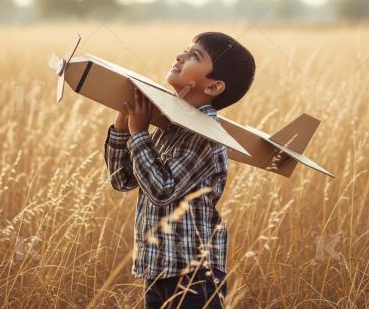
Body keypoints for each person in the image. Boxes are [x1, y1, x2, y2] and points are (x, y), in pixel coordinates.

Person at [103, 31, 256, 308]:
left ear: (213, 87)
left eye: (194, 55)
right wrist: (122, 127)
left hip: (194, 276)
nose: (180, 56)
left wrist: (139, 134)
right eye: (186, 50)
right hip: (157, 270)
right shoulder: (169, 124)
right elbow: (121, 180)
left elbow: (162, 189)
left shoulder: (206, 137)